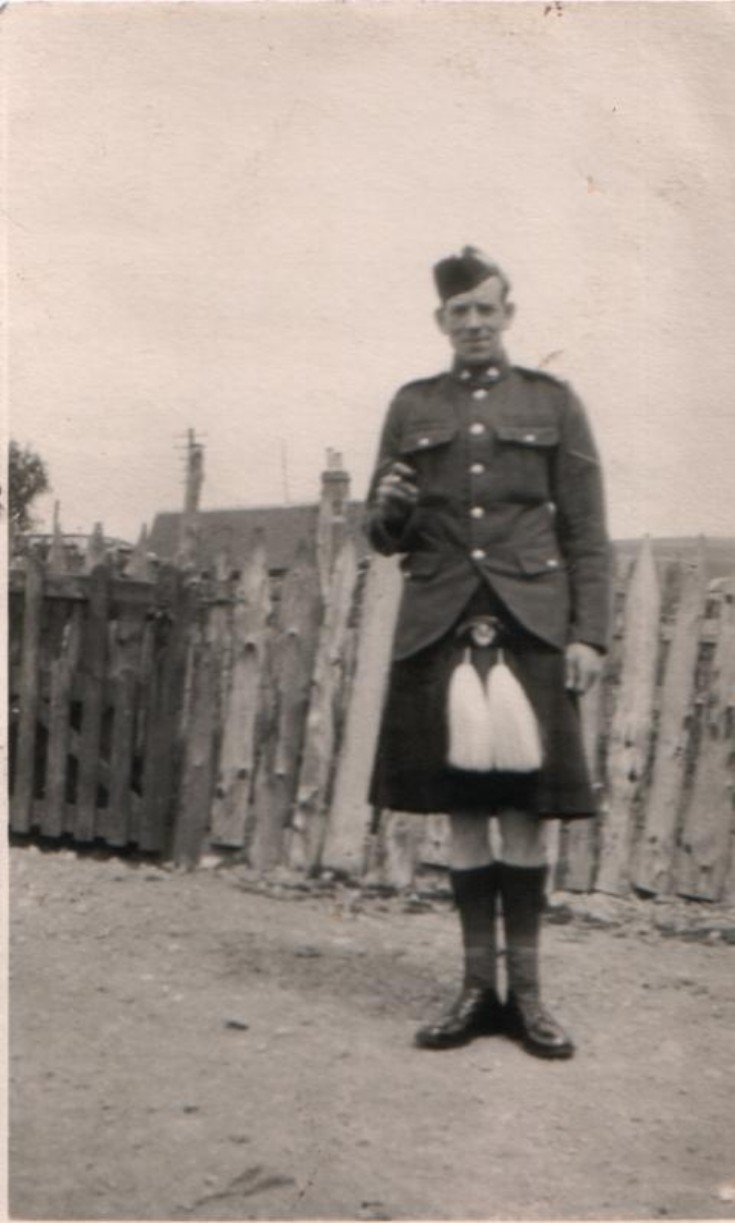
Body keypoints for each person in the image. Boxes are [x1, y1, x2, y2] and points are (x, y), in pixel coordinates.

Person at [365, 247, 611, 1059]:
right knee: (465, 811)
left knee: (526, 813)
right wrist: (388, 510)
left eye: (485, 309)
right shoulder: (409, 406)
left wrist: (587, 635)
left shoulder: (553, 400)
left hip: (530, 624)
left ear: (508, 315)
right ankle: (476, 991)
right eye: (457, 312)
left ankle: (528, 999)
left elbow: (584, 530)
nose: (472, 323)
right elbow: (384, 533)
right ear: (441, 322)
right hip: (440, 621)